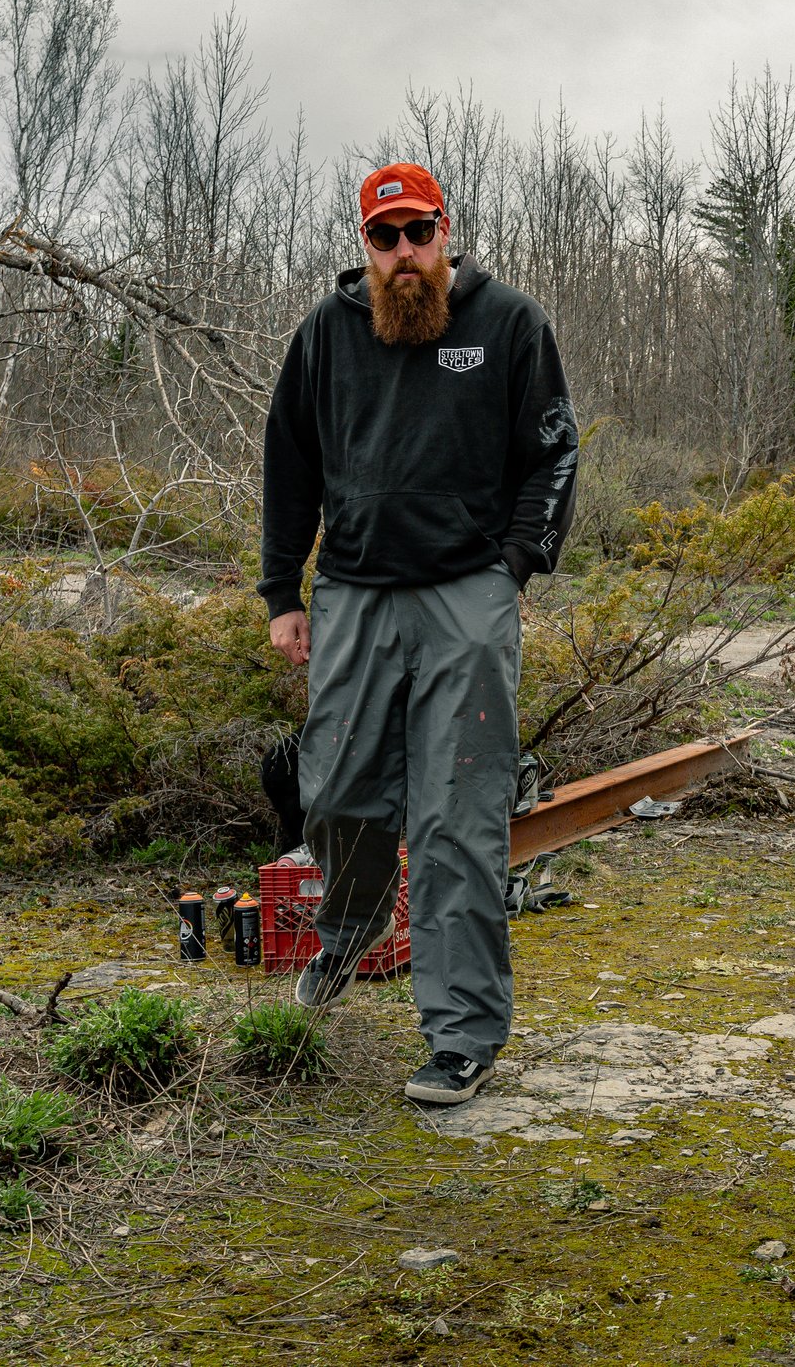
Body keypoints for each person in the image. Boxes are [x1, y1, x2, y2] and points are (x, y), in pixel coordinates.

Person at [259, 161, 577, 1107]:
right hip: (353, 592)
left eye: (419, 232)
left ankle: (460, 1035)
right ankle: (351, 927)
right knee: (334, 790)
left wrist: (513, 564)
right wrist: (282, 591)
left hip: (465, 598)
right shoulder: (326, 334)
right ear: (365, 244)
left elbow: (553, 451)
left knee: (456, 817)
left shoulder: (509, 323)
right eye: (385, 236)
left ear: (446, 230)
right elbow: (289, 463)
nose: (405, 252)